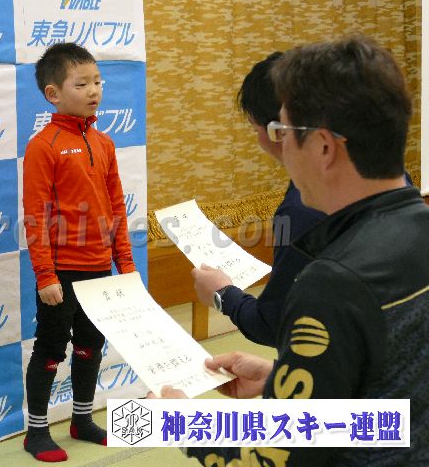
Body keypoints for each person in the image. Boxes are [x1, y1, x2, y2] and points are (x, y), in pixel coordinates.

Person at [156, 35, 428, 465]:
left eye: (281, 132)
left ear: (323, 146)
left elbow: (275, 458)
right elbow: (395, 400)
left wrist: (182, 422)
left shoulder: (333, 282)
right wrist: (282, 380)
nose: (277, 147)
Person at [22, 42, 135, 462]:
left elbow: (117, 207)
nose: (94, 91)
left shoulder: (104, 143)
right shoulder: (44, 145)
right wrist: (45, 275)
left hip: (100, 268)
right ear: (53, 93)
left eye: (98, 82)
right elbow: (35, 214)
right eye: (82, 84)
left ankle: (81, 420)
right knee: (50, 351)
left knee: (91, 345)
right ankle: (36, 432)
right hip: (61, 273)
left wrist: (125, 264)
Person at [191, 52, 326, 347]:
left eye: (256, 129)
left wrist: (223, 294)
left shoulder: (305, 208)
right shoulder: (394, 182)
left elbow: (274, 324)